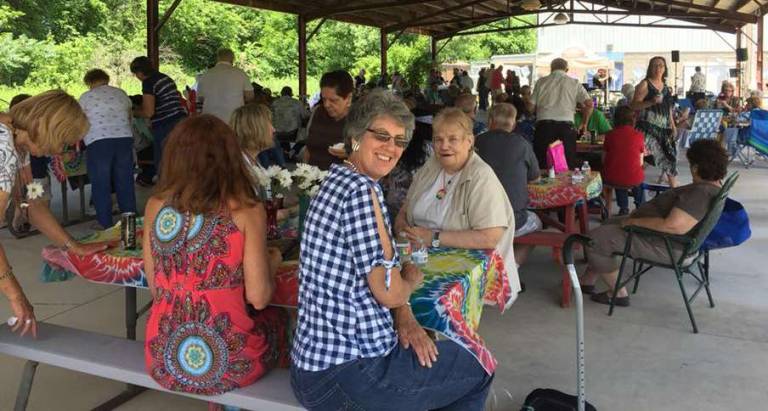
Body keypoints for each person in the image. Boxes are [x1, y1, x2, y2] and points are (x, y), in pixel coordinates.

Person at [291, 91, 493, 411]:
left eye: (399, 141)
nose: (391, 148)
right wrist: (409, 282)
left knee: (433, 355)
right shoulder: (360, 192)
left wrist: (404, 310)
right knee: (478, 363)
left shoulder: (338, 179)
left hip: (315, 369)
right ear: (356, 136)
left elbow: (377, 280)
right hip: (352, 375)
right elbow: (389, 291)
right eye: (381, 136)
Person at [143, 114, 288, 395]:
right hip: (231, 365)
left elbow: (156, 286)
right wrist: (273, 261)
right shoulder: (245, 210)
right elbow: (258, 298)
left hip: (163, 360)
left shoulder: (155, 205)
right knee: (279, 320)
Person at [0, 90, 109, 337]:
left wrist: (72, 246)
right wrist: (16, 295)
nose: (60, 150)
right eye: (64, 141)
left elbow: (34, 203)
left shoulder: (19, 145)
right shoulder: (3, 148)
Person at [394, 107, 522, 301]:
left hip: (464, 269)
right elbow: (405, 209)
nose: (444, 146)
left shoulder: (481, 177)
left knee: (412, 300)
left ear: (469, 141)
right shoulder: (431, 166)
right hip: (418, 258)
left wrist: (434, 238)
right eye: (438, 139)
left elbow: (490, 238)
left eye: (453, 139)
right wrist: (402, 227)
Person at [580, 139, 727, 307]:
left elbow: (674, 226)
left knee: (596, 239)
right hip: (670, 242)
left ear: (696, 167)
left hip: (667, 246)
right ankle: (588, 280)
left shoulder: (700, 193)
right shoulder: (711, 187)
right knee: (609, 224)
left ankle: (618, 293)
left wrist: (635, 222)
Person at [475, 103, 541, 264]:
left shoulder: (476, 142)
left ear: (490, 121)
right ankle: (511, 269)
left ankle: (500, 266)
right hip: (513, 220)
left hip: (477, 218)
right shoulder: (523, 144)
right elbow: (535, 178)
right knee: (537, 224)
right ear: (513, 123)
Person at [79, 69, 137, 229]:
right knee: (125, 182)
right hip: (124, 139)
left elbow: (80, 121)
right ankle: (130, 227)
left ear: (89, 82)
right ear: (106, 79)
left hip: (99, 141)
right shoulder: (121, 93)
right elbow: (129, 116)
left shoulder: (86, 97)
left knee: (101, 182)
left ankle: (105, 225)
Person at [129, 56, 187, 179]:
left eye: (136, 74)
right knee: (179, 159)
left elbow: (149, 112)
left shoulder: (149, 82)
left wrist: (134, 112)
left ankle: (165, 192)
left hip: (166, 124)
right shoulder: (165, 78)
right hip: (181, 121)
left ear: (139, 73)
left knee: (162, 162)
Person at [532, 58, 591, 169]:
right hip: (566, 129)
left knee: (543, 165)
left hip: (544, 127)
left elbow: (530, 106)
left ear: (551, 68)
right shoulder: (574, 83)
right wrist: (584, 123)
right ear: (566, 69)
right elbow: (589, 104)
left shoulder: (541, 82)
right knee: (566, 165)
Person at [631, 56, 679, 187]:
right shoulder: (645, 84)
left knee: (669, 157)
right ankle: (635, 184)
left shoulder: (666, 88)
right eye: (655, 65)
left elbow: (668, 108)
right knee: (644, 158)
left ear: (665, 69)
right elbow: (634, 105)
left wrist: (673, 125)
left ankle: (674, 189)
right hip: (646, 128)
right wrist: (651, 102)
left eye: (661, 65)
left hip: (663, 129)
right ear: (650, 68)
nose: (658, 68)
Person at [304, 70, 354, 170]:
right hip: (312, 177)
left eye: (333, 100)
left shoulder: (359, 119)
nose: (326, 105)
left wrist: (352, 153)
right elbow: (308, 148)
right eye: (324, 99)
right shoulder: (318, 112)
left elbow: (369, 156)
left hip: (340, 181)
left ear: (348, 98)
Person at [602, 105, 646, 215]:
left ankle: (623, 208)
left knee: (618, 176)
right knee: (636, 178)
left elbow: (604, 158)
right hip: (633, 178)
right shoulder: (639, 135)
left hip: (612, 177)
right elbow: (640, 162)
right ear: (633, 119)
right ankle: (640, 207)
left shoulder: (609, 135)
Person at [196, 48, 254, 122]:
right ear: (232, 59)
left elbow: (200, 98)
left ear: (218, 58)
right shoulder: (240, 73)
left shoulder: (206, 74)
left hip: (210, 120)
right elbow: (250, 96)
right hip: (233, 120)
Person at [271, 86, 307, 158]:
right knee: (305, 132)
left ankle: (285, 151)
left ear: (281, 93)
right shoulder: (297, 103)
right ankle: (294, 150)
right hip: (292, 132)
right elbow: (305, 116)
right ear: (291, 94)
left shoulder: (274, 103)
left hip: (277, 132)